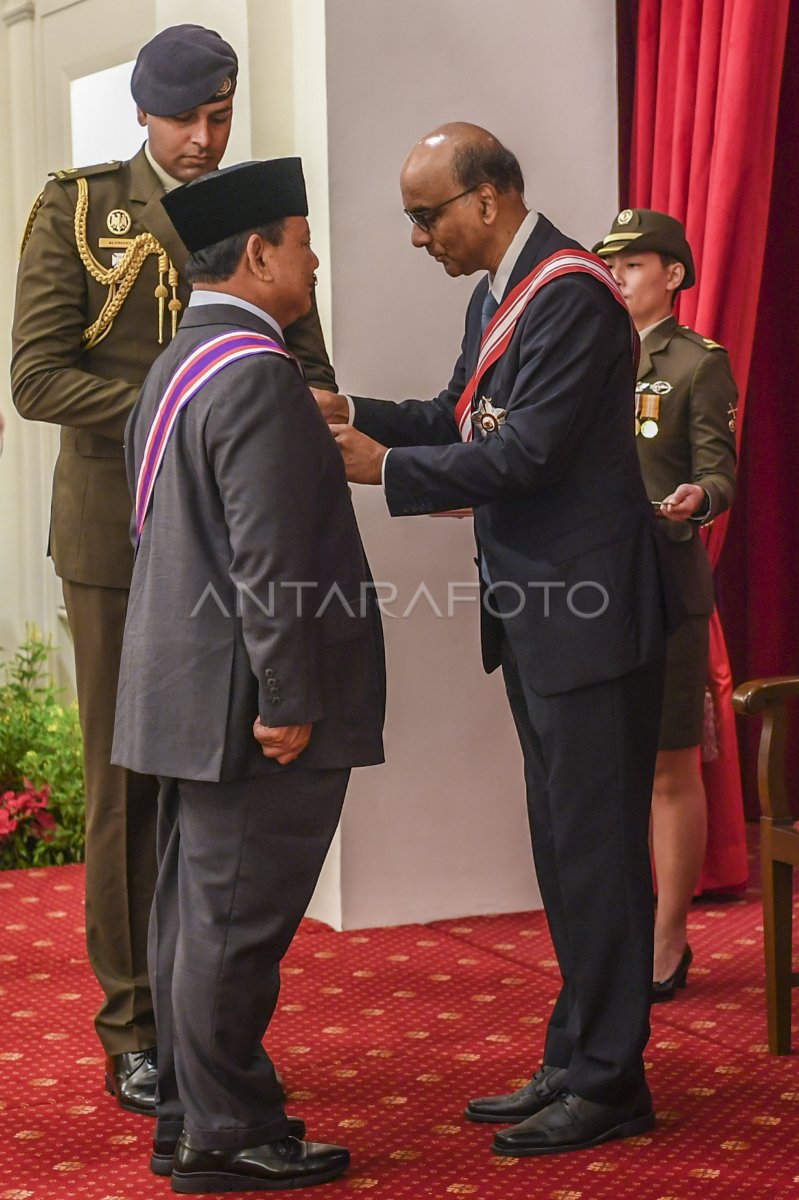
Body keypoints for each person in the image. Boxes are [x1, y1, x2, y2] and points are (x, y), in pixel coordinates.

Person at [314, 122, 681, 1158]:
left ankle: (610, 1083)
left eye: (425, 215)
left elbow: (526, 457)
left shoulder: (568, 295)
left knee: (597, 853)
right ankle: (577, 1053)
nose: (417, 236)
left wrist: (381, 468)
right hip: (539, 613)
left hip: (589, 616)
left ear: (487, 199)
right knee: (564, 849)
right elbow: (458, 415)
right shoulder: (500, 292)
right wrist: (357, 412)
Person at [9, 23, 337, 1116]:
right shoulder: (79, 209)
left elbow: (303, 364)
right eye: (186, 118)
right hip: (118, 540)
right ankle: (134, 1026)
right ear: (142, 112)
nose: (204, 138)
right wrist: (187, 406)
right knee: (129, 784)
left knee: (227, 778)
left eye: (220, 116)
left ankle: (208, 1021)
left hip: (238, 540)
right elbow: (37, 378)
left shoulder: (256, 211)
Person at [111, 157, 385, 1191]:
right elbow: (269, 559)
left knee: (194, 920)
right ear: (259, 254)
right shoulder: (258, 374)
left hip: (187, 691)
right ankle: (225, 1135)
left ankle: (192, 1115)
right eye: (302, 243)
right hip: (246, 706)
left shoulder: (180, 362)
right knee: (233, 929)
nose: (314, 261)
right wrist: (286, 701)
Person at [593, 209, 737, 999]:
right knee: (602, 765)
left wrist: (697, 497)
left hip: (662, 579)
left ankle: (668, 937)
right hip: (590, 585)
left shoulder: (694, 364)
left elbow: (719, 472)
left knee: (667, 766)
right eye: (610, 265)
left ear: (672, 275)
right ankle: (612, 929)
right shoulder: (590, 354)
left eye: (632, 265)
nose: (616, 276)